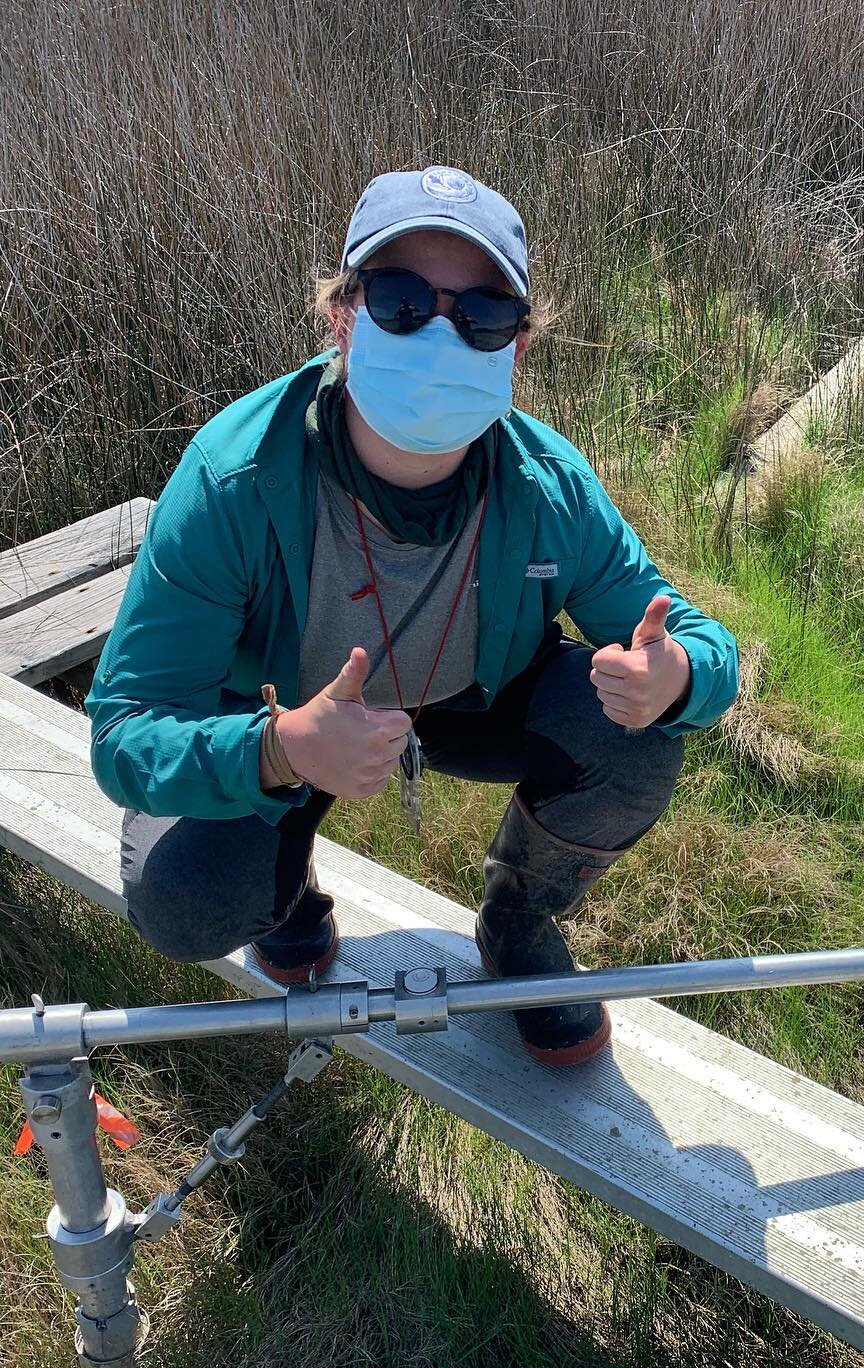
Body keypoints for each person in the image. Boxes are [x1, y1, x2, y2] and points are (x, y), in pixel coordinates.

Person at [85, 164, 740, 1068]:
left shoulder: (549, 487)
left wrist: (679, 678)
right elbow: (124, 731)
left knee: (636, 738)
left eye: (482, 313)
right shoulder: (231, 480)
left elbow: (701, 640)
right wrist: (274, 751)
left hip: (465, 704)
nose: (440, 332)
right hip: (284, 719)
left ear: (517, 346)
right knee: (186, 896)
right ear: (341, 314)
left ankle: (517, 918)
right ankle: (292, 891)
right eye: (399, 297)